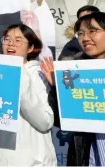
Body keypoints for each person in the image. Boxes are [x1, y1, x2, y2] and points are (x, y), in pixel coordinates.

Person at [0, 23, 56, 166]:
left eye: (18, 40)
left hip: (35, 162)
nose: (10, 44)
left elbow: (44, 122)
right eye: (7, 39)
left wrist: (19, 78)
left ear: (30, 48)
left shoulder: (38, 75)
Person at [42, 11, 105, 166]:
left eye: (92, 31)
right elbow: (60, 121)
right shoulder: (75, 72)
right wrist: (57, 90)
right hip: (87, 155)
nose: (85, 38)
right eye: (81, 33)